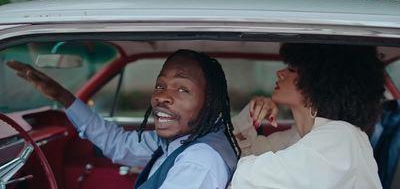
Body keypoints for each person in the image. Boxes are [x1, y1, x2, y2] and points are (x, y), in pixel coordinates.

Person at [6, 49, 241, 189]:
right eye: (160, 85)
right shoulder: (181, 140)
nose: (162, 97)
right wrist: (62, 96)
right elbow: (118, 144)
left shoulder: (198, 160)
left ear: (211, 103)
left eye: (182, 89)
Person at [231, 43, 385, 189]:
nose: (280, 73)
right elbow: (235, 153)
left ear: (318, 83)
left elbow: (248, 178)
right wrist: (251, 115)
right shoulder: (298, 137)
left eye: (291, 69)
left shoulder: (340, 136)